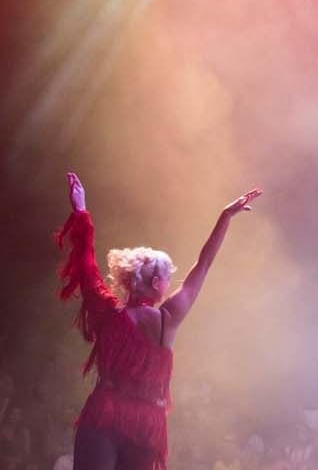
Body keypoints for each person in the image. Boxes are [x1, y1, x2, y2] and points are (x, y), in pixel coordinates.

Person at [56, 172, 261, 470]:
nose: (171, 282)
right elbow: (202, 266)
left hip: (105, 410)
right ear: (155, 283)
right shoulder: (168, 319)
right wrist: (224, 218)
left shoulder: (107, 311)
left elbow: (86, 265)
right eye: (167, 278)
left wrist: (81, 211)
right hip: (146, 423)